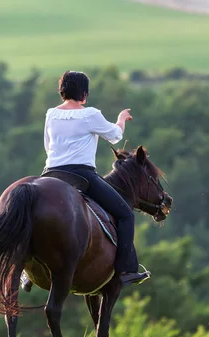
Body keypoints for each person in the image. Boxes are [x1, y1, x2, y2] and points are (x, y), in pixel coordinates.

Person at [39, 70, 149, 287]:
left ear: (62, 92)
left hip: (51, 174)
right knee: (126, 215)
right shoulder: (90, 114)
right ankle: (125, 270)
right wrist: (120, 119)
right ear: (85, 94)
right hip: (81, 175)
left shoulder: (51, 114)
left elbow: (47, 145)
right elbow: (115, 136)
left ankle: (26, 271)